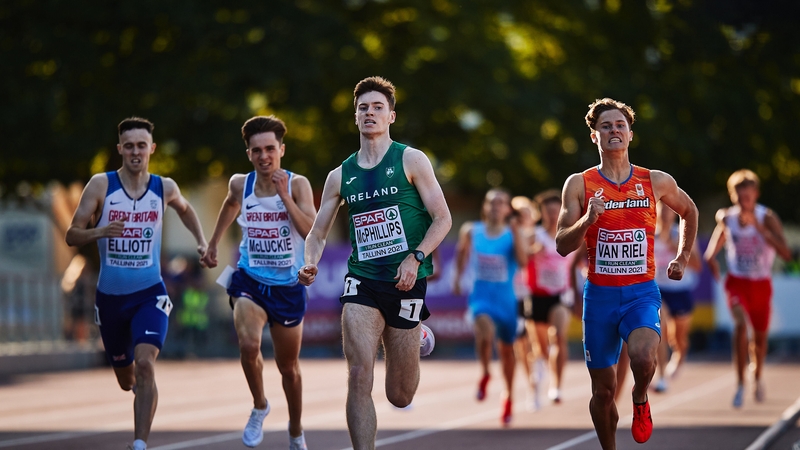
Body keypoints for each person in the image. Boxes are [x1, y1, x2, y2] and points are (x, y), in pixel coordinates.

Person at [297, 76, 451, 450]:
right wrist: (310, 262)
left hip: (406, 281)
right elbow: (317, 233)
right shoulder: (340, 175)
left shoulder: (411, 159)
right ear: (355, 117)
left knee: (400, 395)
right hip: (362, 281)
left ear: (391, 116)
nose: (370, 113)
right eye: (363, 107)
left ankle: (417, 340)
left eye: (377, 107)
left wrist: (416, 258)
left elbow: (442, 217)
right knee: (357, 372)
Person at [555, 98, 698, 449]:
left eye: (620, 125)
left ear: (630, 134)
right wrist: (588, 219)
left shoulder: (655, 181)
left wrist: (682, 257)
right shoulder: (579, 184)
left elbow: (689, 211)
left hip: (641, 292)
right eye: (606, 126)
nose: (614, 130)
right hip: (601, 297)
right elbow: (561, 244)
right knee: (602, 394)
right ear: (594, 136)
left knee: (643, 357)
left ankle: (640, 396)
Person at [65, 117, 207, 450]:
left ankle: (140, 443)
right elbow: (72, 234)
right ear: (120, 150)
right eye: (128, 146)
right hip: (111, 299)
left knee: (145, 365)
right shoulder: (101, 185)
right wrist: (101, 230)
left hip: (149, 294)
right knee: (126, 377)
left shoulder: (164, 187)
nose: (135, 152)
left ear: (151, 149)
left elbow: (185, 210)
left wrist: (202, 242)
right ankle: (137, 388)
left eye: (141, 145)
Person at [201, 116, 316, 448]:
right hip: (249, 279)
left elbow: (310, 231)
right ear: (248, 153)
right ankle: (259, 404)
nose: (264, 156)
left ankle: (295, 429)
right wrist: (212, 243)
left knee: (289, 368)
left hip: (288, 287)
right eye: (256, 150)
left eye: (270, 149)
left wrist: (285, 197)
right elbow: (230, 204)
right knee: (249, 345)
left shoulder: (298, 184)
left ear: (281, 149)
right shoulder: (241, 183)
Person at [704, 169, 791, 408]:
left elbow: (786, 254)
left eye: (749, 197)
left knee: (760, 341)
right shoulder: (728, 219)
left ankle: (757, 375)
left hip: (761, 284)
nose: (745, 202)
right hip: (737, 282)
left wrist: (761, 231)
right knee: (740, 326)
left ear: (756, 195)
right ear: (734, 197)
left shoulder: (767, 217)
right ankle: (740, 383)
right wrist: (712, 263)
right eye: (740, 198)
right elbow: (710, 253)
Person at [454, 188, 528, 424]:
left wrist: (517, 234)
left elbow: (524, 262)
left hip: (506, 301)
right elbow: (461, 252)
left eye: (500, 203)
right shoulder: (471, 231)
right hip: (481, 298)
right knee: (484, 334)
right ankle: (486, 372)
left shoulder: (513, 233)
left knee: (507, 352)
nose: (495, 206)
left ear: (507, 209)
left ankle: (508, 396)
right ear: (485, 207)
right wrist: (457, 275)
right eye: (491, 202)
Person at [526, 189, 576, 406]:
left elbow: (582, 261)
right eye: (548, 210)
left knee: (558, 336)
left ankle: (556, 386)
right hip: (536, 296)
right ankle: (541, 370)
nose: (553, 214)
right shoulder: (533, 237)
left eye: (556, 210)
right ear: (542, 213)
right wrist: (530, 253)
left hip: (560, 296)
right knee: (541, 348)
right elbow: (519, 260)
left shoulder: (571, 237)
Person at [652, 201, 702, 392]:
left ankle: (680, 355)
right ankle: (662, 376)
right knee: (660, 328)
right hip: (658, 290)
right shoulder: (648, 234)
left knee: (679, 338)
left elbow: (697, 265)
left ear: (674, 215)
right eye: (661, 210)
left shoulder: (682, 234)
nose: (664, 214)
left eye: (669, 211)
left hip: (680, 290)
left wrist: (674, 247)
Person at [510, 195, 538, 411]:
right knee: (520, 344)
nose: (524, 217)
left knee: (535, 339)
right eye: (520, 213)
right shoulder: (510, 235)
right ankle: (532, 385)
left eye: (527, 212)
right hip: (513, 294)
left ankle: (538, 377)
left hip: (533, 294)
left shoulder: (540, 234)